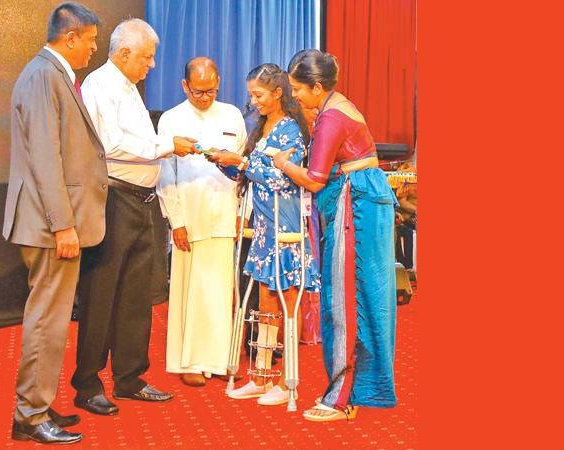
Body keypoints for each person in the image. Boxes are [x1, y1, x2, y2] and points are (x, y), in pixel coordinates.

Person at [71, 18, 199, 416]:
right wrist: (166, 145)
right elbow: (109, 144)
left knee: (135, 296)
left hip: (141, 201)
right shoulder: (99, 86)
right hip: (113, 199)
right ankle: (87, 383)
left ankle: (129, 377)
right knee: (101, 294)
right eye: (146, 57)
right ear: (123, 53)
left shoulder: (128, 87)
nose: (152, 65)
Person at [275, 49, 398, 421]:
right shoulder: (340, 107)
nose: (293, 95)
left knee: (343, 301)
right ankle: (364, 391)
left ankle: (340, 399)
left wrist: (283, 163)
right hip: (365, 202)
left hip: (354, 207)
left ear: (316, 87)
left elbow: (315, 178)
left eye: (297, 88)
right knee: (368, 299)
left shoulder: (330, 117)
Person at [2, 2, 106, 444]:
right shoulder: (45, 75)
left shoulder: (50, 74)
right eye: (91, 40)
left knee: (52, 319)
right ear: (71, 38)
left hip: (51, 221)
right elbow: (46, 158)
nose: (94, 48)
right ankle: (30, 415)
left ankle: (36, 404)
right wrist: (63, 225)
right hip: (50, 225)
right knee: (46, 320)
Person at [208, 63, 321, 406]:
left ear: (278, 92)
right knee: (265, 300)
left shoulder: (291, 130)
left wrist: (242, 163)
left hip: (285, 225)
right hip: (262, 225)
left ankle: (285, 383)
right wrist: (228, 164)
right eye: (251, 95)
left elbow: (281, 178)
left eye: (258, 94)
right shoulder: (262, 127)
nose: (253, 101)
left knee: (285, 298)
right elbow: (256, 175)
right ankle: (261, 375)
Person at [156, 57, 248, 387]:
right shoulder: (171, 120)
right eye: (198, 91)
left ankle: (221, 359)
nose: (205, 96)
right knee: (189, 290)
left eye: (211, 90)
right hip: (189, 217)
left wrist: (242, 213)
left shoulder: (233, 115)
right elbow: (165, 175)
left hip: (224, 213)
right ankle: (190, 361)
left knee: (221, 291)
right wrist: (175, 221)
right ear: (185, 86)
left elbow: (243, 169)